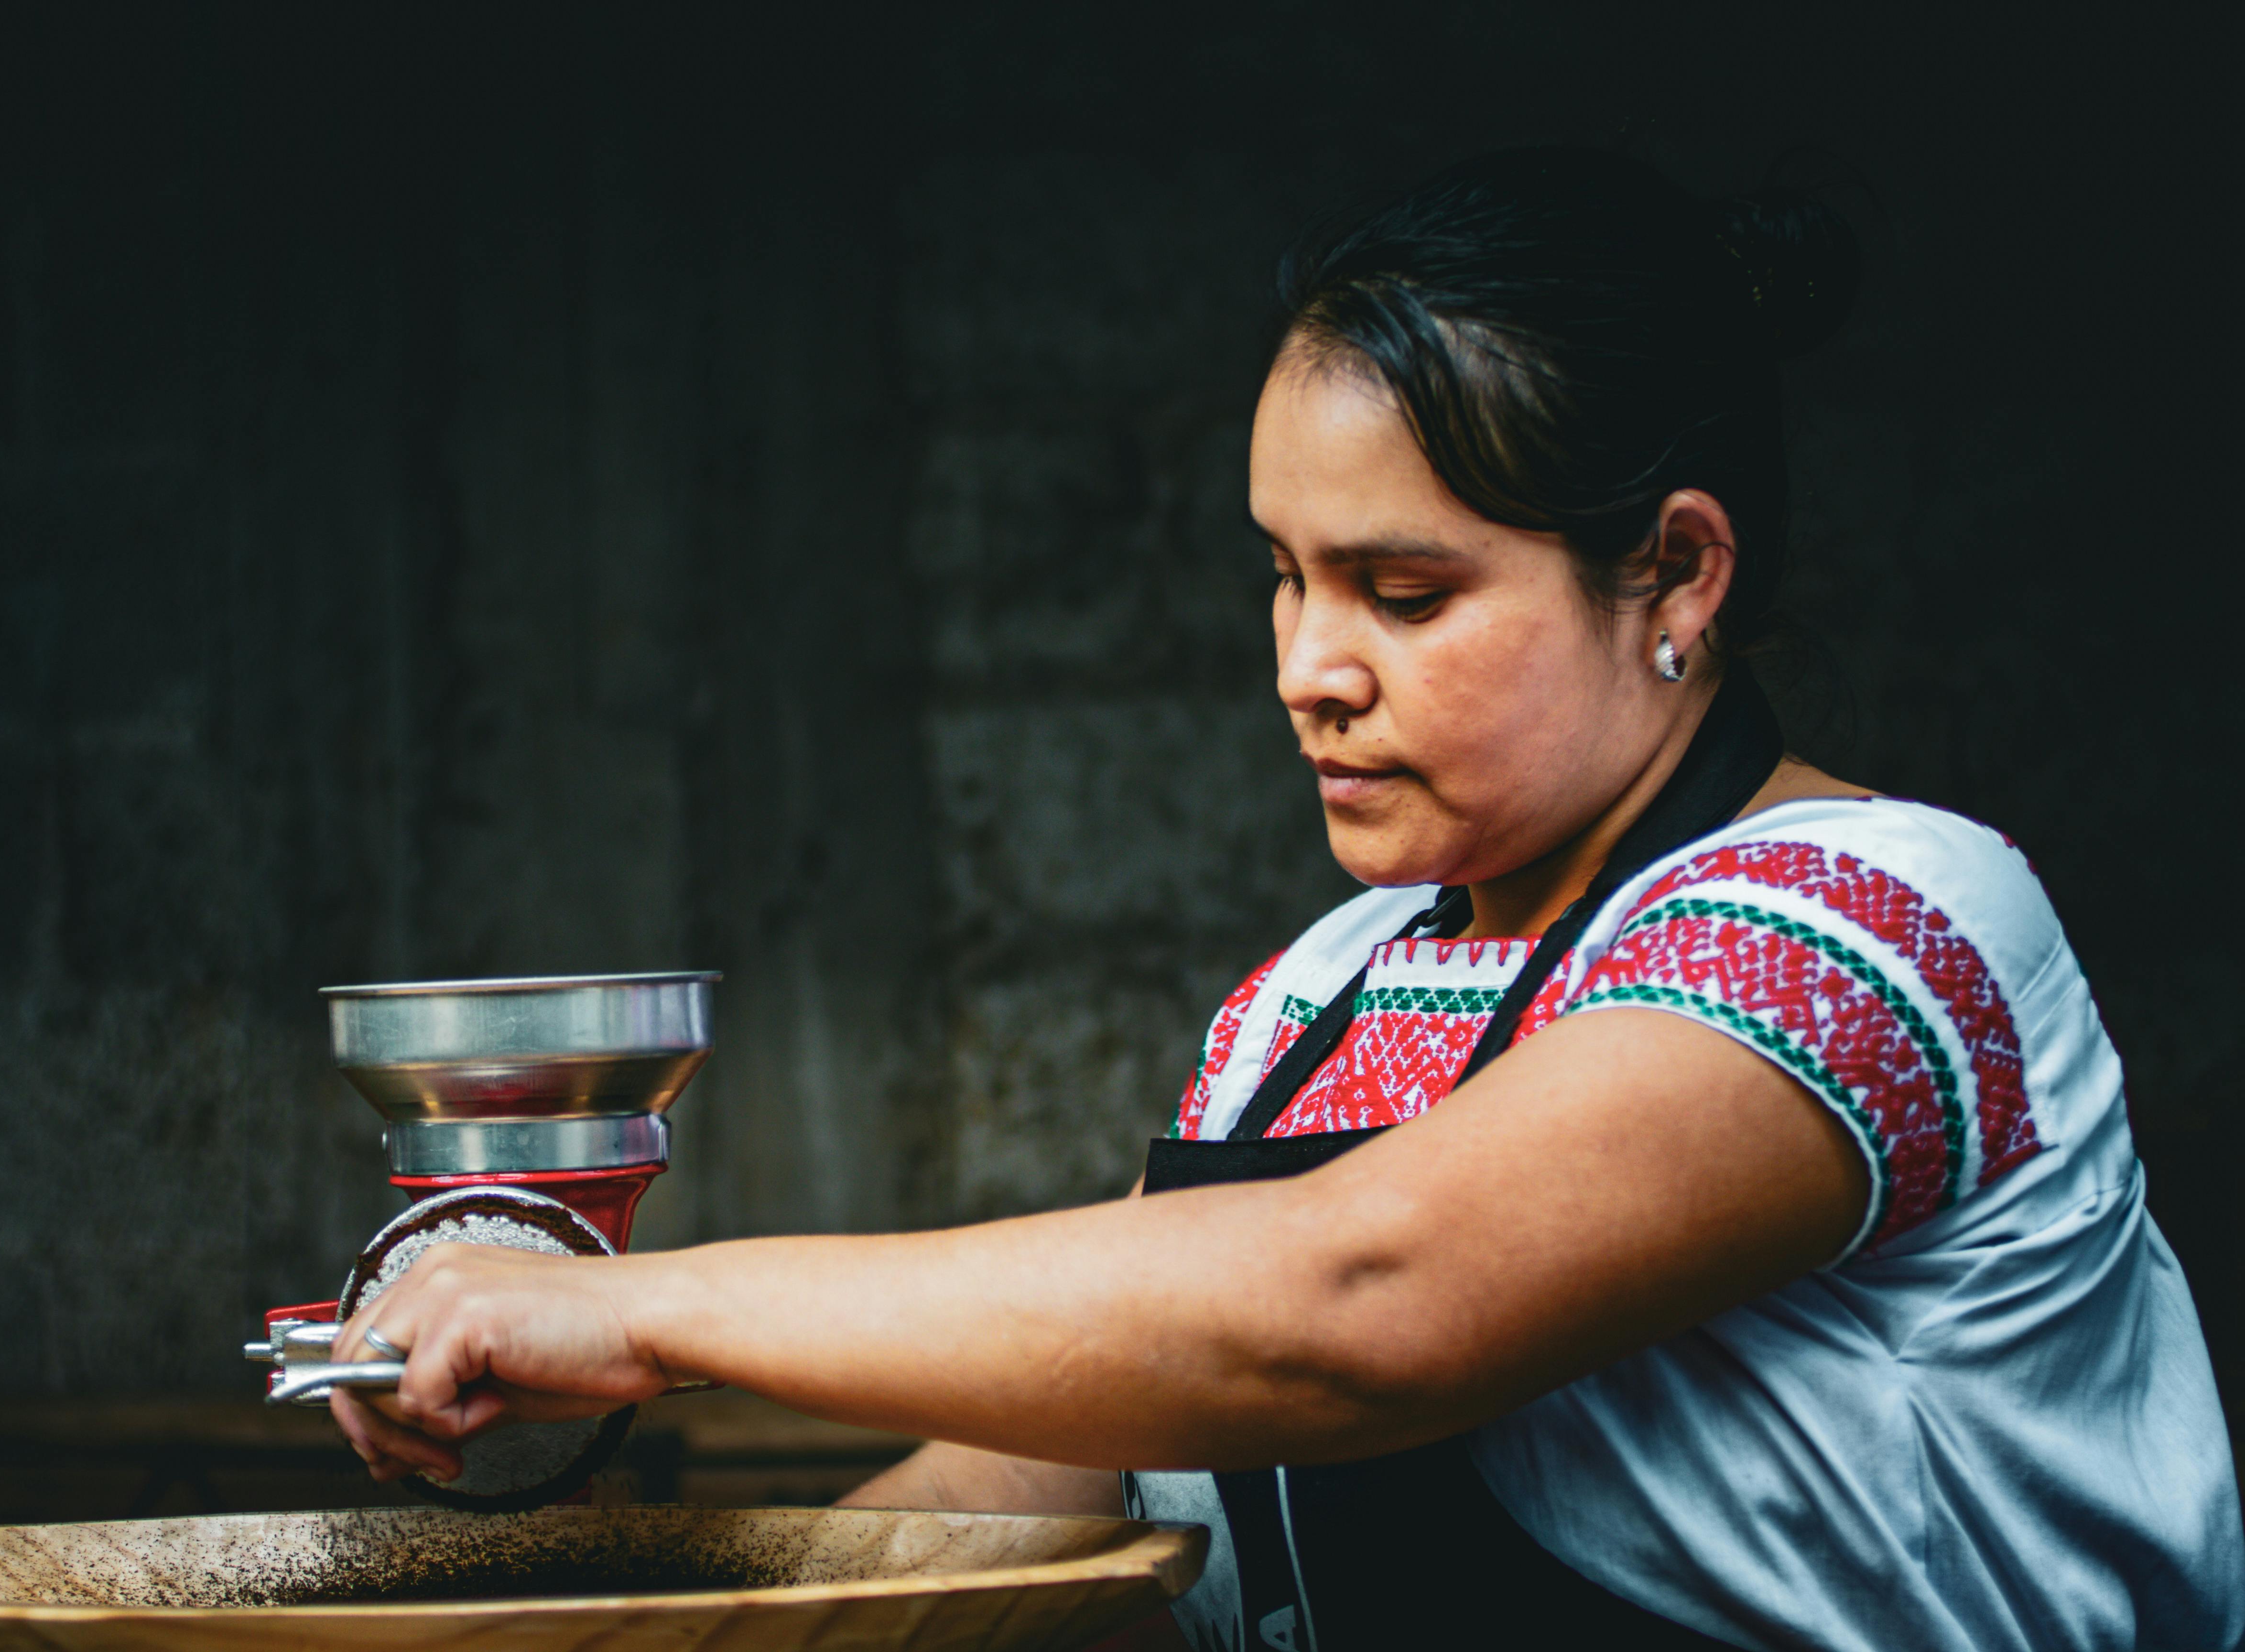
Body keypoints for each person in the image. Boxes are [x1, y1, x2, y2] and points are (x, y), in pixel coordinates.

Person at [329, 149, 2245, 1650]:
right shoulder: (1325, 993)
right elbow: (1084, 1450)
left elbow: (1357, 1305)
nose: (1306, 668)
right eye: (1282, 576)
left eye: (1403, 594)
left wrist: (646, 1318)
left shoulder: (1884, 924)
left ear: (1674, 575)